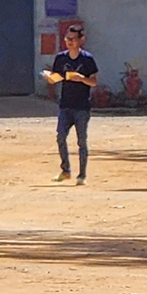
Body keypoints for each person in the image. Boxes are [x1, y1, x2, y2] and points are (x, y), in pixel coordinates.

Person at [44, 19, 99, 184]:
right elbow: (56, 77)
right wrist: (50, 78)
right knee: (60, 137)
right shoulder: (61, 58)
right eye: (67, 39)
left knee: (81, 141)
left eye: (72, 39)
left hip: (82, 106)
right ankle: (65, 170)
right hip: (65, 105)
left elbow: (94, 82)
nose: (69, 42)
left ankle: (82, 175)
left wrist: (81, 78)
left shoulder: (87, 59)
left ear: (81, 40)